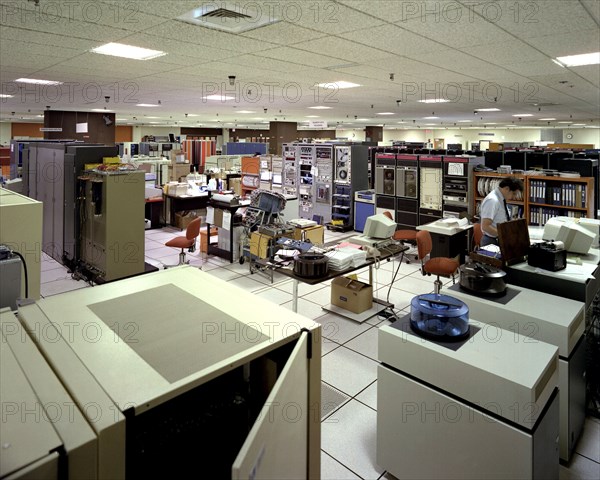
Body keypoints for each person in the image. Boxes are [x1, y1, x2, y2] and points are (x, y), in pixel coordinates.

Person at [480, 176, 524, 247]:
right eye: (514, 193)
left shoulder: (501, 199)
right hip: (491, 241)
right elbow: (485, 226)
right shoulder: (492, 200)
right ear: (507, 189)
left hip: (498, 239)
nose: (514, 197)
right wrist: (504, 235)